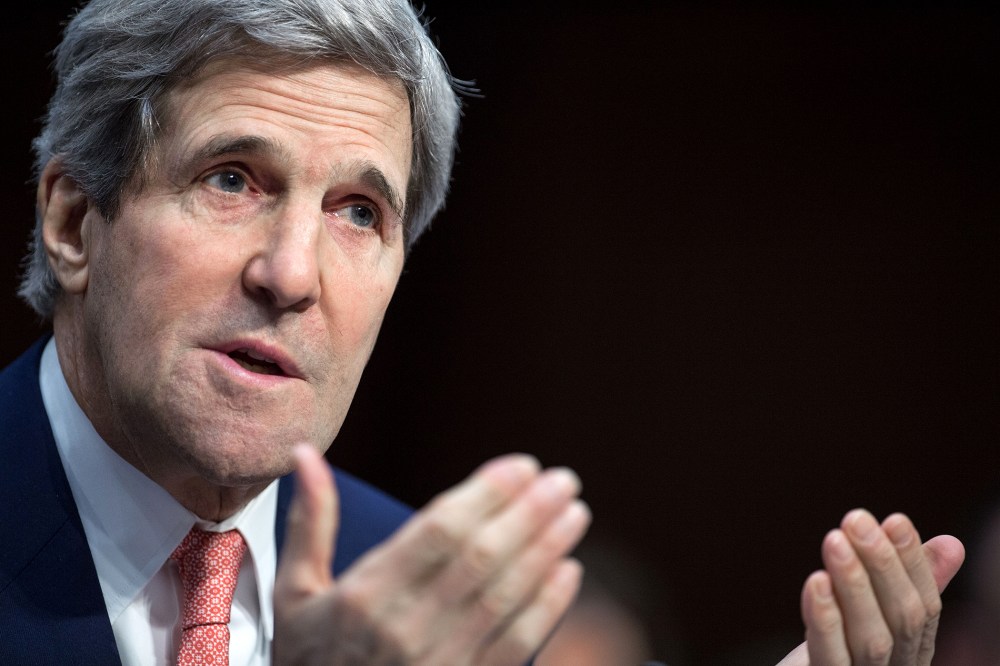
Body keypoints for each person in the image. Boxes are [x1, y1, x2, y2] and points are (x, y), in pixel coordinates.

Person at [0, 0, 964, 664]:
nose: (292, 275)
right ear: (76, 223)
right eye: (231, 180)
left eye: (358, 213)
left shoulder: (430, 594)